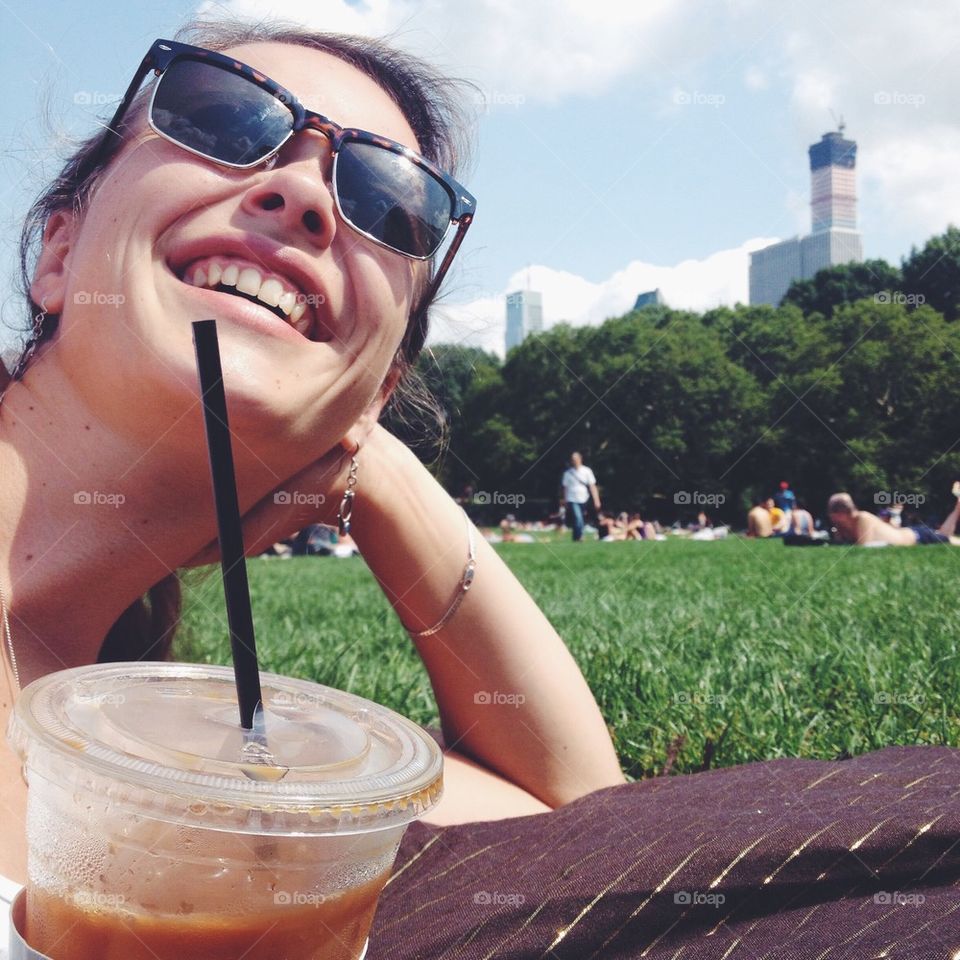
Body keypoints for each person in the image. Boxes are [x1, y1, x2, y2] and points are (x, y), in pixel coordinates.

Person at [0, 21, 957, 957]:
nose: (302, 195)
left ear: (380, 385)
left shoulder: (170, 736)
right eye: (219, 116)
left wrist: (372, 464)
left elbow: (588, 836)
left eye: (390, 199)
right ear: (56, 251)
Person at [827, 488, 960, 545]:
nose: (832, 518)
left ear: (841, 513)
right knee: (945, 536)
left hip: (916, 536)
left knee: (950, 540)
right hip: (913, 535)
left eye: (834, 514)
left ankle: (957, 508)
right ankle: (957, 508)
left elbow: (864, 546)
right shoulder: (845, 525)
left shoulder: (862, 517)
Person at [559, 451, 600, 542]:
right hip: (572, 499)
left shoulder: (587, 471)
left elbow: (592, 486)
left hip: (584, 498)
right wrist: (564, 500)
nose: (574, 461)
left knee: (579, 518)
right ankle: (580, 536)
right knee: (578, 517)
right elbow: (565, 488)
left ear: (580, 459)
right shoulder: (568, 473)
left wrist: (596, 500)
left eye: (576, 459)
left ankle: (575, 537)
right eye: (573, 460)